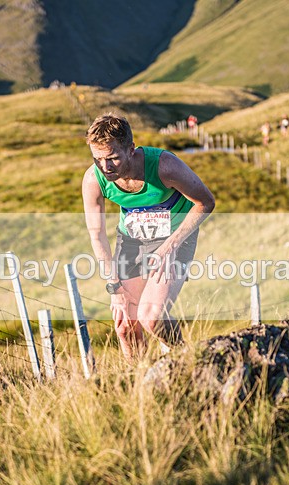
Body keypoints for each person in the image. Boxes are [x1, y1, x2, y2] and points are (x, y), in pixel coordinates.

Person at [82, 113, 215, 361]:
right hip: (132, 242)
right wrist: (114, 287)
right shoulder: (94, 179)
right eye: (98, 159)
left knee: (152, 318)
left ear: (131, 149)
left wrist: (169, 247)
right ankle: (137, 383)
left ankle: (184, 362)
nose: (105, 167)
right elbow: (96, 234)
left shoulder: (165, 166)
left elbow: (205, 202)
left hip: (175, 239)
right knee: (125, 327)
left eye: (112, 158)